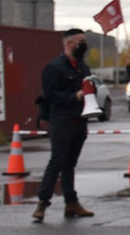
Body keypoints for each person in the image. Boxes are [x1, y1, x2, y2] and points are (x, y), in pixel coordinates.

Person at [31, 29, 94, 223]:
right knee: (56, 162)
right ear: (69, 44)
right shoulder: (54, 68)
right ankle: (42, 203)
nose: (83, 45)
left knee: (69, 165)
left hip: (79, 122)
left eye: (84, 41)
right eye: (80, 41)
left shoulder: (83, 67)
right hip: (61, 122)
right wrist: (73, 96)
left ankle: (71, 203)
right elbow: (49, 95)